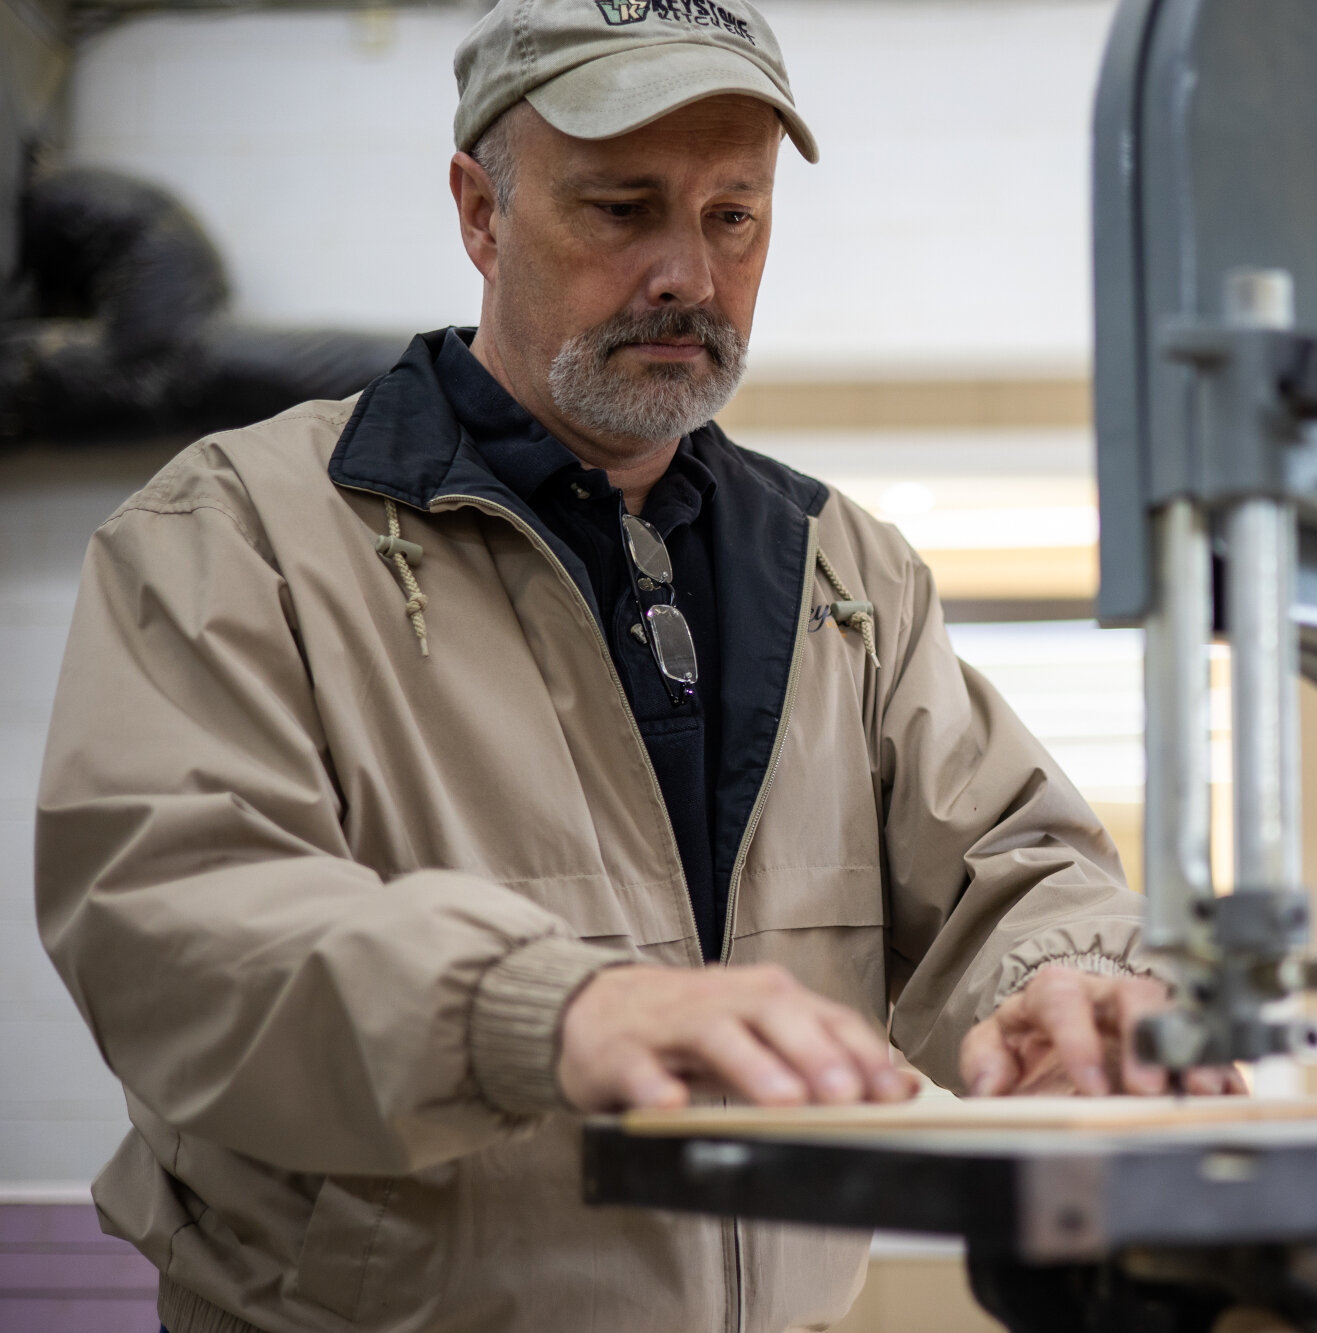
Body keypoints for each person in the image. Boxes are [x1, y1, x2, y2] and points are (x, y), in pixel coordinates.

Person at [35, 1, 1237, 1330]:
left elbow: (1008, 871)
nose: (689, 274)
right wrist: (542, 1009)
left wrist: (1058, 987)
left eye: (735, 216)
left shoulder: (847, 573)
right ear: (480, 212)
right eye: (622, 209)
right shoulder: (240, 534)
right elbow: (176, 925)